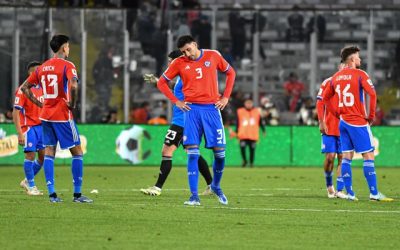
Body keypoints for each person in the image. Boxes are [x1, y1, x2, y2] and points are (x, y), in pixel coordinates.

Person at [157, 35, 236, 205]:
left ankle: (215, 185)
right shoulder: (179, 62)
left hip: (212, 110)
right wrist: (177, 101)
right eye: (183, 51)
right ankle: (194, 197)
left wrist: (226, 97)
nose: (187, 54)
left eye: (188, 49)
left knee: (220, 154)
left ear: (195, 44)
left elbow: (231, 72)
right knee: (192, 154)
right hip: (191, 111)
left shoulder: (213, 55)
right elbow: (162, 83)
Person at [20, 34, 93, 203]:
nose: (68, 49)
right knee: (77, 152)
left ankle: (52, 195)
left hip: (45, 115)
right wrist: (72, 103)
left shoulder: (42, 67)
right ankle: (77, 195)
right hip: (62, 115)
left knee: (49, 153)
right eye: (68, 46)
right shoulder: (68, 65)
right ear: (63, 48)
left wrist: (39, 102)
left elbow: (25, 87)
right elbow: (74, 85)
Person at [322, 45, 393, 201]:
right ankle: (374, 193)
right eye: (358, 57)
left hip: (343, 122)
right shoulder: (360, 74)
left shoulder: (336, 77)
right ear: (353, 59)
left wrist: (336, 112)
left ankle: (350, 194)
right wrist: (371, 115)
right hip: (358, 121)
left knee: (347, 156)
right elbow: (372, 94)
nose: (360, 59)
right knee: (368, 155)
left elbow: (325, 98)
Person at [140, 50, 213, 196]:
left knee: (167, 151)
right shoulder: (182, 75)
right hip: (186, 120)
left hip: (183, 121)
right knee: (192, 153)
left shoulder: (187, 74)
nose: (168, 64)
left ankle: (157, 188)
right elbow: (176, 87)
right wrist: (158, 81)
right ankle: (212, 185)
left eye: (171, 61)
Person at [12, 61, 44, 196]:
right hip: (29, 127)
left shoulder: (43, 87)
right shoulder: (22, 89)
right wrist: (20, 133)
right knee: (30, 155)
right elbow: (15, 112)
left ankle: (26, 181)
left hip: (42, 127)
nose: (41, 73)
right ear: (31, 73)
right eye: (38, 71)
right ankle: (31, 186)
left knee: (43, 157)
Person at [316, 65, 347, 199]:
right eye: (343, 65)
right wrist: (321, 121)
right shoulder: (328, 82)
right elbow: (320, 102)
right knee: (330, 157)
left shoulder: (352, 83)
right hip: (329, 125)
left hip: (345, 125)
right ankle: (329, 186)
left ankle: (339, 190)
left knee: (342, 158)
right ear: (339, 66)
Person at [234, 99, 266, 168]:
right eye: (247, 103)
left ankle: (251, 162)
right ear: (245, 104)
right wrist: (236, 132)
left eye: (250, 103)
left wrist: (263, 130)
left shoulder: (257, 112)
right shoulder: (240, 111)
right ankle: (244, 161)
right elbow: (237, 122)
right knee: (242, 148)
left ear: (252, 104)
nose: (248, 105)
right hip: (243, 134)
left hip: (253, 135)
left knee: (252, 150)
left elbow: (261, 122)